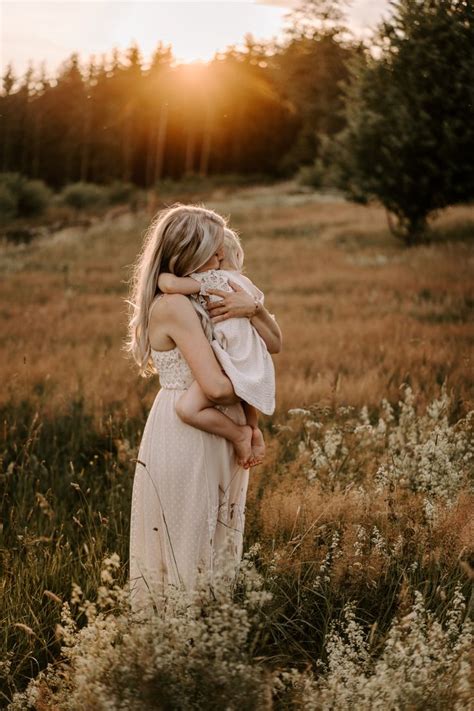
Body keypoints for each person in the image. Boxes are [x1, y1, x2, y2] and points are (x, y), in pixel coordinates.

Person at [124, 203, 282, 615]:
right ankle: (177, 642)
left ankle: (207, 636)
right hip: (188, 432)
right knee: (187, 535)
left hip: (220, 428)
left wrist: (254, 311)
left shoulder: (214, 290)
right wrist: (253, 382)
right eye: (212, 251)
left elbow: (274, 341)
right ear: (188, 251)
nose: (220, 259)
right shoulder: (174, 304)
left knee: (218, 535)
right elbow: (214, 387)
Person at [157, 227, 275, 469]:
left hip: (227, 354)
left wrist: (160, 275)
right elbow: (272, 338)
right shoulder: (246, 285)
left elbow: (169, 284)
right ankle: (253, 430)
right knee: (247, 395)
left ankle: (239, 434)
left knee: (187, 409)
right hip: (252, 354)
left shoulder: (211, 279)